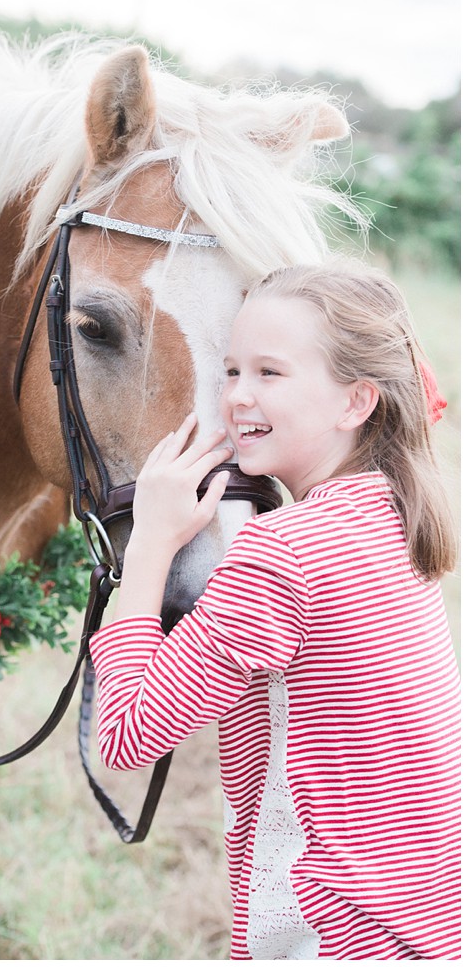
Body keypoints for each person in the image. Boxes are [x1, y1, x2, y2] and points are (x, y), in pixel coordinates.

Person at [90, 262, 459, 960]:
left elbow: (127, 733)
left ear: (355, 402)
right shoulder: (389, 512)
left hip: (327, 931)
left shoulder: (282, 554)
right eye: (229, 371)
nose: (235, 398)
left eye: (270, 373)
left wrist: (150, 543)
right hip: (424, 919)